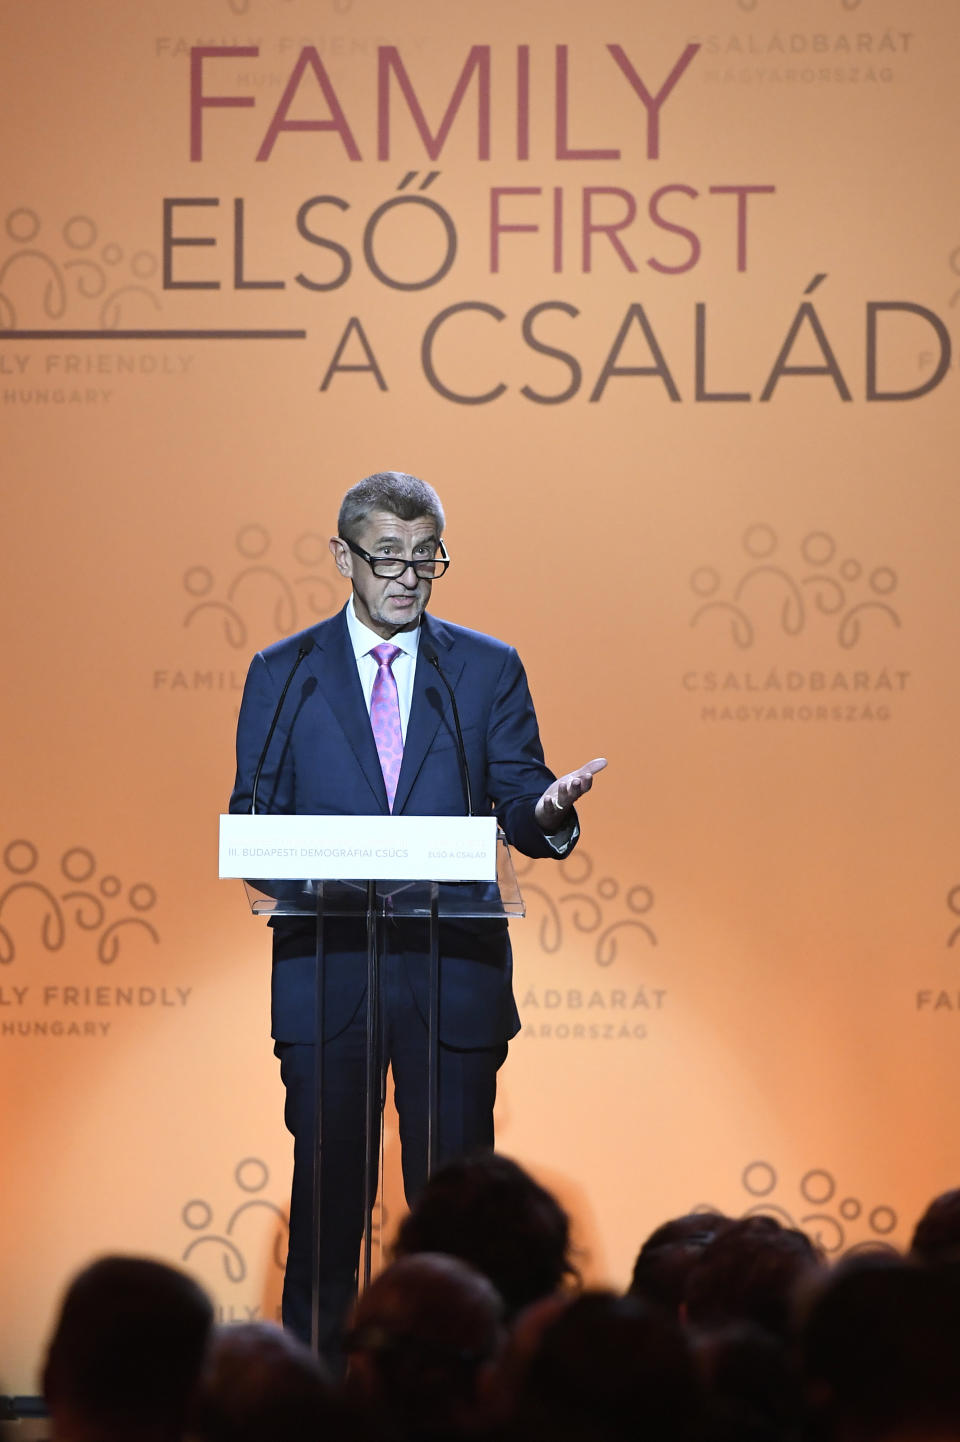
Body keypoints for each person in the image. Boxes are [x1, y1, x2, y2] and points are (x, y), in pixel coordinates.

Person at [229, 470, 606, 1357]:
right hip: (329, 976)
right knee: (327, 1203)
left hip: (454, 973)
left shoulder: (483, 667)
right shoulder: (284, 675)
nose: (406, 576)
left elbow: (519, 799)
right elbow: (253, 812)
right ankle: (315, 1398)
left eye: (424, 557)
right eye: (386, 556)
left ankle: (469, 1391)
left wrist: (548, 811)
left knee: (457, 1216)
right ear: (343, 558)